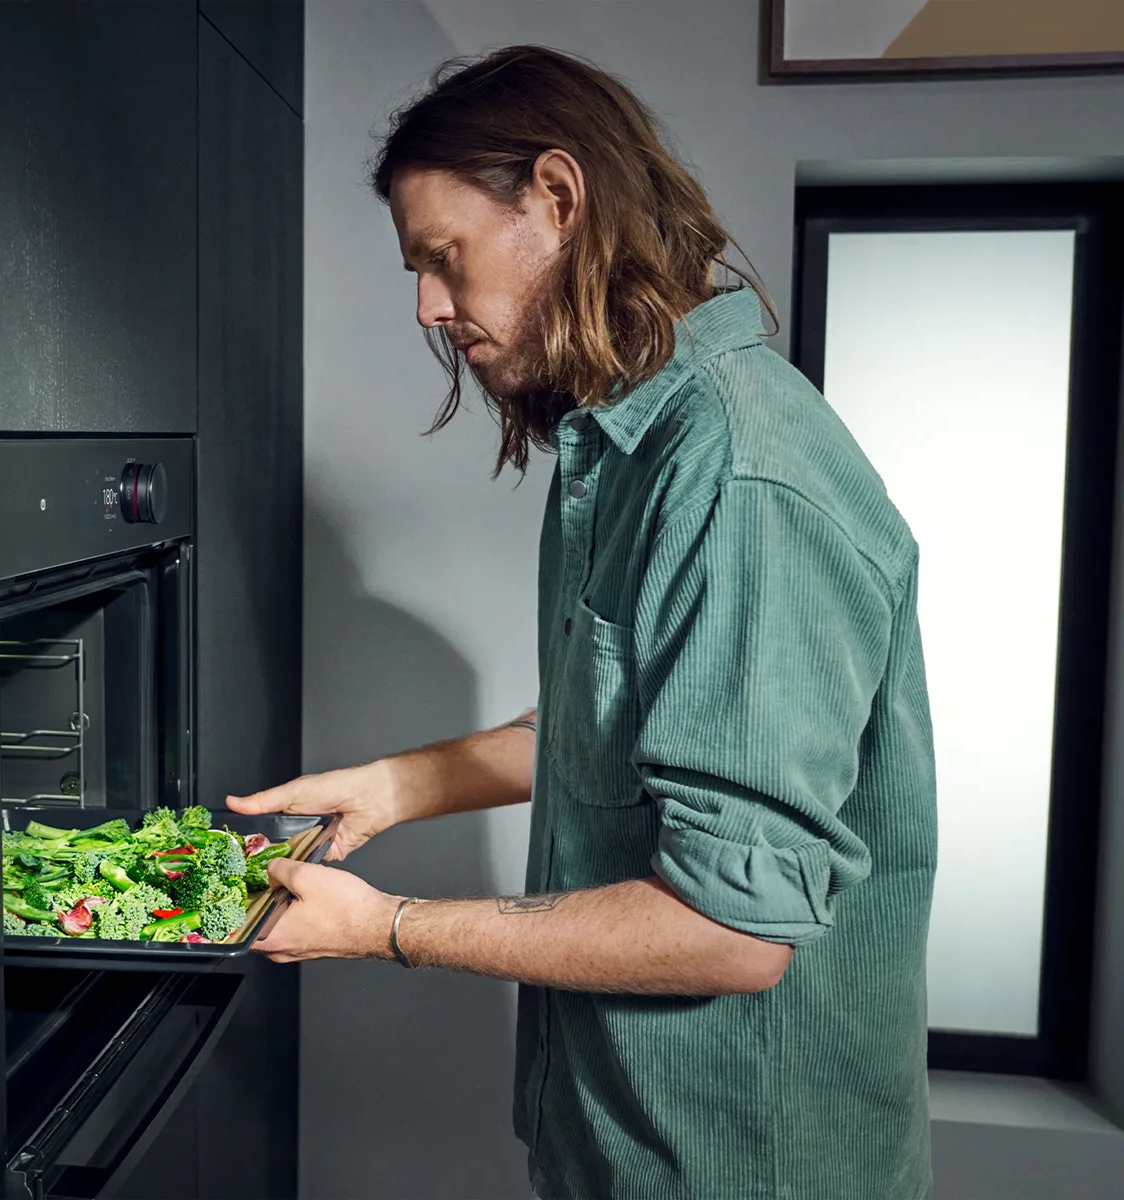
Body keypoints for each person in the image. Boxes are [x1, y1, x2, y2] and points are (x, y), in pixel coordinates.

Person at [229, 44, 937, 1200]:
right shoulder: (630, 443)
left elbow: (730, 929)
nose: (429, 308)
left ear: (557, 200)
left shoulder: (739, 477)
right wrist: (395, 789)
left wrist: (388, 927)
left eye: (442, 259)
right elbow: (628, 726)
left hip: (740, 1169)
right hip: (616, 1141)